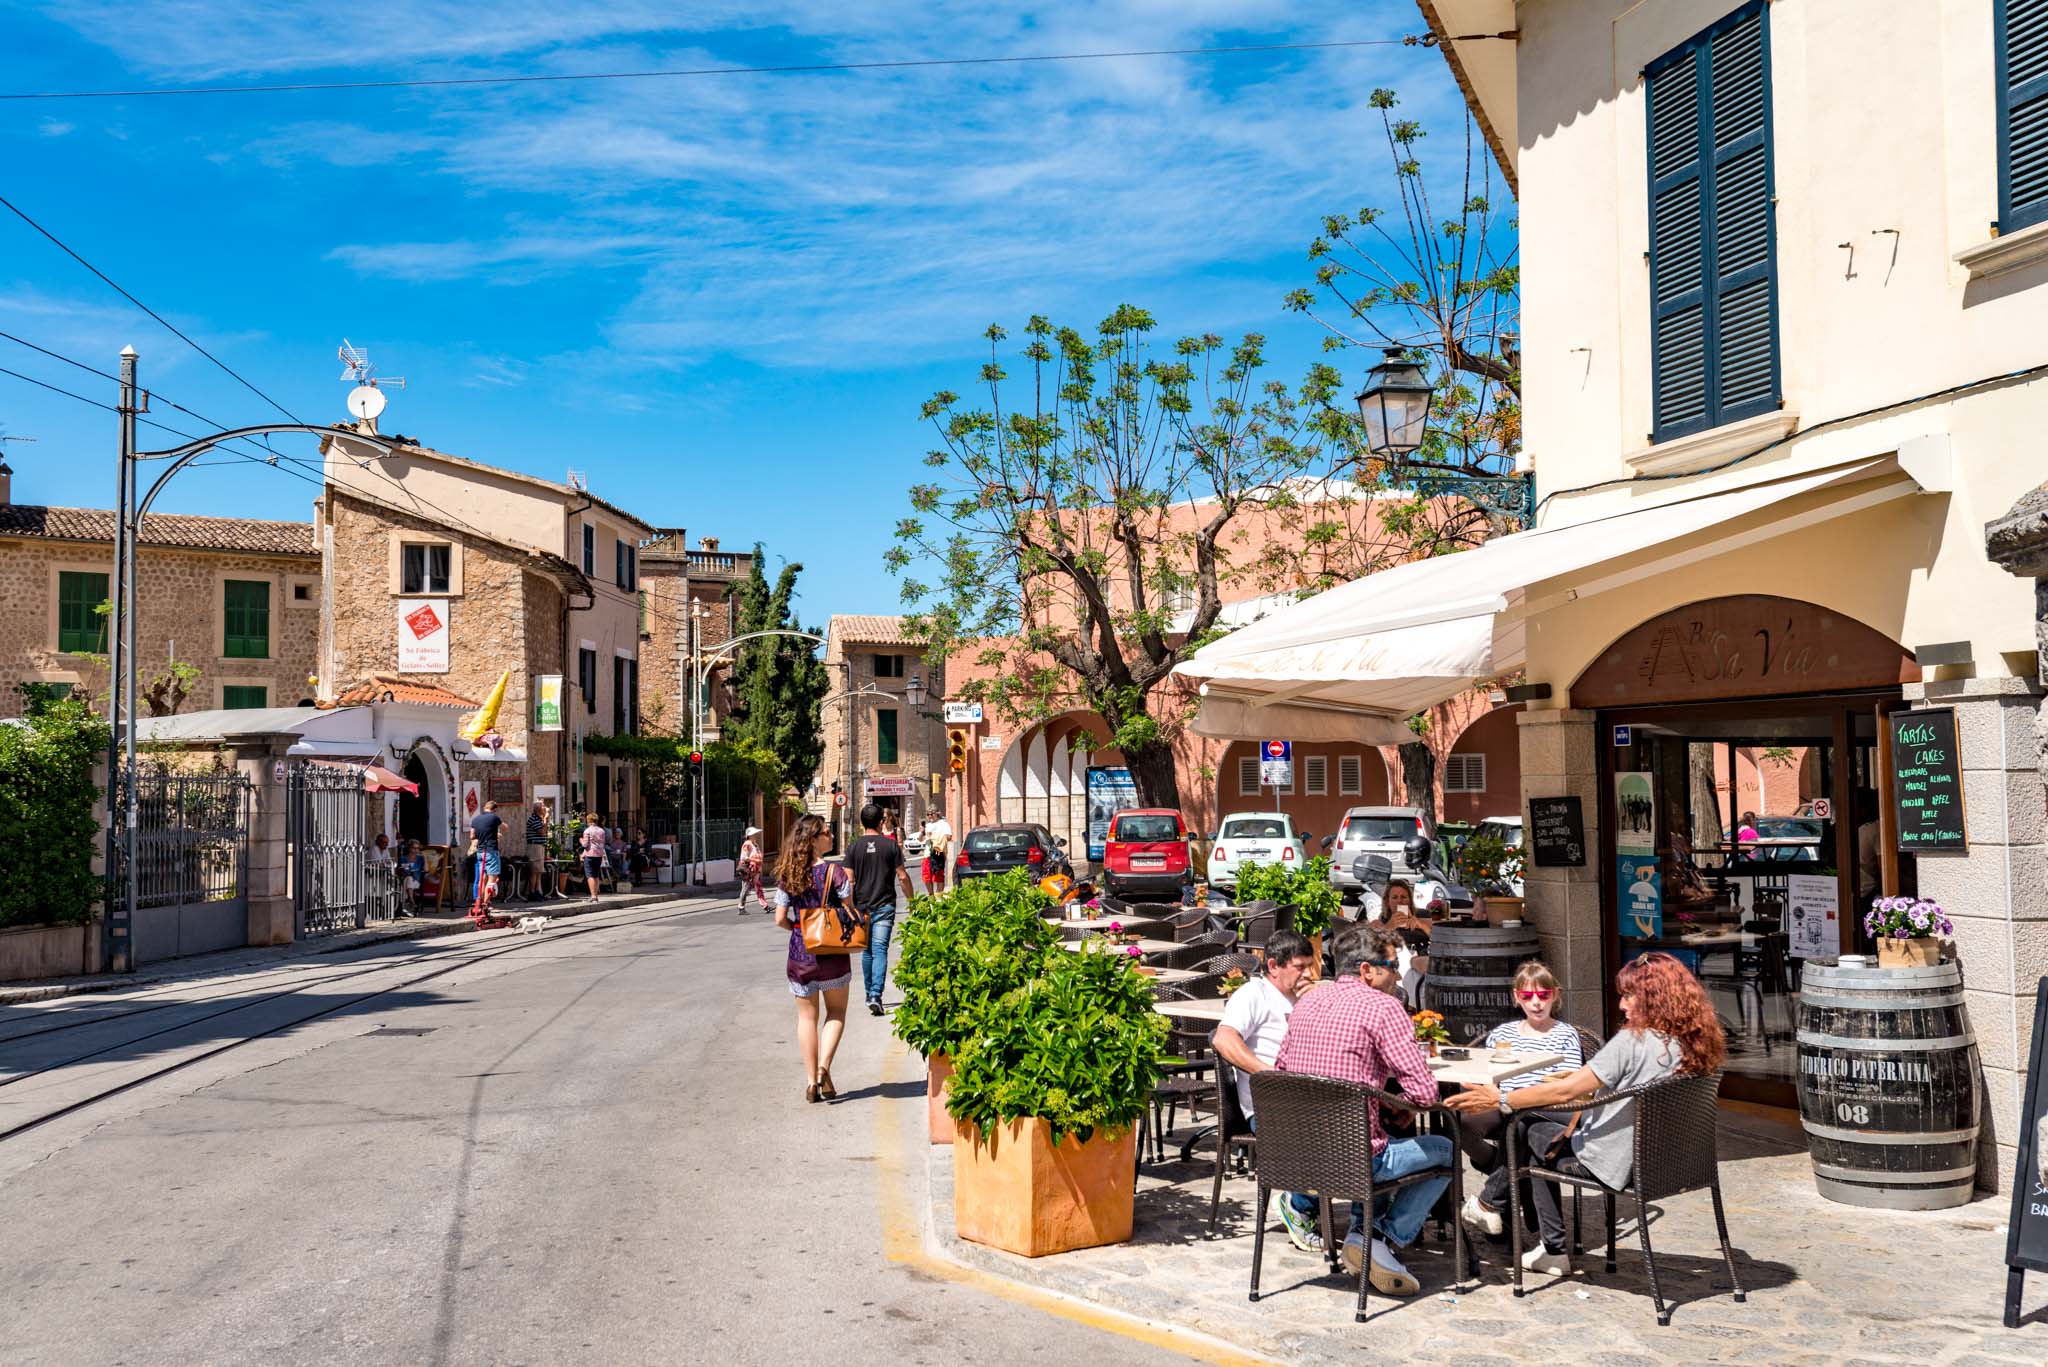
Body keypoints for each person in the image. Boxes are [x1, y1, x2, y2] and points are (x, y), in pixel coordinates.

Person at [1447, 951, 1726, 1275]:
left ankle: (1507, 1217)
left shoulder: (1633, 1041)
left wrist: (1503, 1099)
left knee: (1527, 1128)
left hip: (1616, 1162)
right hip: (1671, 1162)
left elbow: (1567, 1090)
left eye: (1629, 996)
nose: (1622, 1005)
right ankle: (1508, 1217)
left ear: (1655, 997)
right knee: (1533, 1129)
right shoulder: (1697, 1043)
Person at [1274, 924, 1453, 1296]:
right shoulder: (1384, 1007)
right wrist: (1400, 1103)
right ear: (1367, 971)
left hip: (1296, 1159)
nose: (1399, 973)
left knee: (1381, 1128)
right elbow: (1423, 1092)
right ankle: (1379, 1236)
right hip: (1355, 1161)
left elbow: (1280, 1073)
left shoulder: (1306, 1002)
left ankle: (1359, 1230)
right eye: (1391, 964)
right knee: (1445, 1150)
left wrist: (1387, 1103)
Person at [1452, 962, 1588, 1227]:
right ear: (1516, 997)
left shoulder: (1565, 1034)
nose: (1536, 1003)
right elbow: (1486, 1070)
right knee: (1461, 1122)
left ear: (1555, 995)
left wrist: (1518, 1095)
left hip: (1542, 1106)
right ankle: (1500, 1169)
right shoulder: (1503, 1033)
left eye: (1543, 995)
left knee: (1520, 1125)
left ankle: (1496, 1193)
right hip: (1500, 1099)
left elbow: (1566, 1081)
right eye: (1527, 996)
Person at [1211, 931, 1320, 1249]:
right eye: (1300, 967)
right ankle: (1299, 1206)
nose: (1307, 974)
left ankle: (1368, 1224)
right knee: (1328, 1133)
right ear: (1274, 965)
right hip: (1270, 1107)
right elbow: (1224, 1039)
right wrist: (1270, 1075)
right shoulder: (1254, 994)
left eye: (1310, 966)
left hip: (1312, 1098)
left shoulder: (1304, 995)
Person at [773, 813, 857, 1102]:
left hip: (800, 952)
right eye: (826, 833)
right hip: (832, 951)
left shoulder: (788, 872)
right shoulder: (834, 873)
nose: (831, 837)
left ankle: (811, 1082)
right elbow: (849, 909)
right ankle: (824, 1068)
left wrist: (800, 930)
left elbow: (780, 919)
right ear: (813, 840)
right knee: (836, 1013)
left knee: (806, 1018)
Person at [847, 803, 915, 1016]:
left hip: (861, 906)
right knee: (880, 949)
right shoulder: (891, 846)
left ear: (861, 823)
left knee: (867, 951)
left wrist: (848, 906)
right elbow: (902, 877)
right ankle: (876, 994)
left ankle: (870, 994)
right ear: (881, 822)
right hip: (885, 904)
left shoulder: (854, 847)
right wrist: (912, 901)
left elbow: (848, 881)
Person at [468, 800, 506, 925]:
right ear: (494, 809)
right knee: (492, 879)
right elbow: (505, 828)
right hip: (491, 851)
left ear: (485, 808)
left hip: (480, 851)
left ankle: (478, 902)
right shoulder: (494, 818)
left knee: (482, 878)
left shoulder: (476, 819)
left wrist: (482, 833)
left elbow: (472, 836)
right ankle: (485, 905)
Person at [579, 812, 608, 903]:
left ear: (588, 821)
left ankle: (593, 896)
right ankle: (596, 895)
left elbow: (585, 844)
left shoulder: (587, 831)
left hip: (590, 855)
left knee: (590, 875)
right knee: (596, 875)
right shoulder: (602, 831)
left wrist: (581, 840)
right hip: (599, 855)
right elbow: (603, 843)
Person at [737, 826, 766, 913]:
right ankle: (741, 907)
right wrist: (755, 860)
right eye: (754, 834)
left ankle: (765, 905)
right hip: (748, 869)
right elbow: (744, 857)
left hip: (755, 869)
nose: (756, 835)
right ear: (750, 835)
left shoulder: (755, 844)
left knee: (758, 886)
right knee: (745, 888)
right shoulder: (747, 844)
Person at [921, 814, 952, 894]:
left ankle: (939, 897)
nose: (929, 816)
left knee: (939, 876)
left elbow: (949, 837)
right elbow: (920, 839)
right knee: (926, 876)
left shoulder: (943, 824)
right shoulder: (927, 825)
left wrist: (935, 836)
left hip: (939, 853)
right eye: (928, 814)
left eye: (932, 814)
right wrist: (922, 831)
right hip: (927, 854)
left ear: (937, 814)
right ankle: (931, 896)